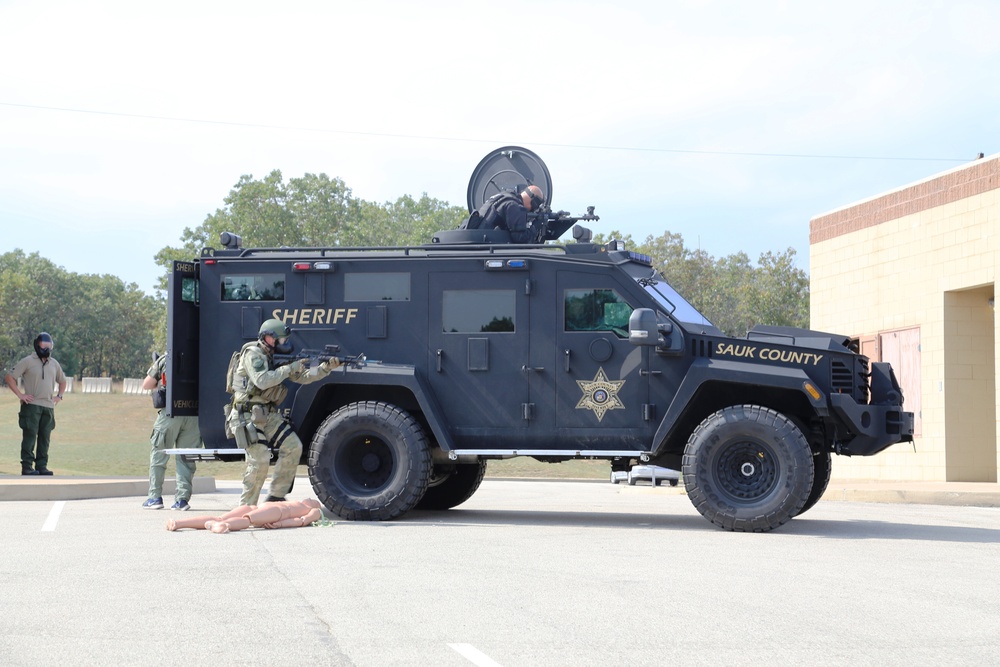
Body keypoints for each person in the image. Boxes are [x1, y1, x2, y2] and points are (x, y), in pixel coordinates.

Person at [228, 319, 340, 506]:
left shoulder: (277, 358)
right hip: (246, 414)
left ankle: (276, 496)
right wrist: (289, 368)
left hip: (266, 414)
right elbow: (262, 380)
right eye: (279, 339)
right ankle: (246, 508)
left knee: (293, 446)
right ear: (267, 338)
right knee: (261, 460)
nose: (283, 343)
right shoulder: (253, 353)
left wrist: (325, 368)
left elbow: (305, 377)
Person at [141, 353, 203, 511]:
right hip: (194, 414)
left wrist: (159, 383)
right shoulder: (202, 355)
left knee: (159, 453)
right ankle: (182, 500)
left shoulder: (166, 358)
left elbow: (147, 384)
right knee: (186, 458)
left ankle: (155, 497)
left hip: (171, 413)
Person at [4, 332, 67, 476]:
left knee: (45, 437)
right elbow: (9, 377)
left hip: (49, 407)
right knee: (30, 436)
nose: (46, 348)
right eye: (44, 345)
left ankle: (42, 466)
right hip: (31, 406)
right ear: (37, 345)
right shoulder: (28, 361)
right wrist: (21, 395)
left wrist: (59, 396)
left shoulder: (54, 363)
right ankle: (27, 467)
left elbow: (62, 381)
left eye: (49, 345)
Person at [165, 498, 323, 532]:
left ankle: (224, 526)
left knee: (247, 520)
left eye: (314, 500)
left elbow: (301, 521)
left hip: (278, 513)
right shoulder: (298, 501)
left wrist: (280, 524)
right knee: (220, 516)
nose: (311, 498)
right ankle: (178, 523)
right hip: (261, 507)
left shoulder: (313, 510)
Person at [462, 185, 546, 243]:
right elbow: (520, 238)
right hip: (488, 246)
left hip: (478, 241)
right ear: (534, 202)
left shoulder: (503, 197)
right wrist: (535, 226)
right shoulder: (514, 206)